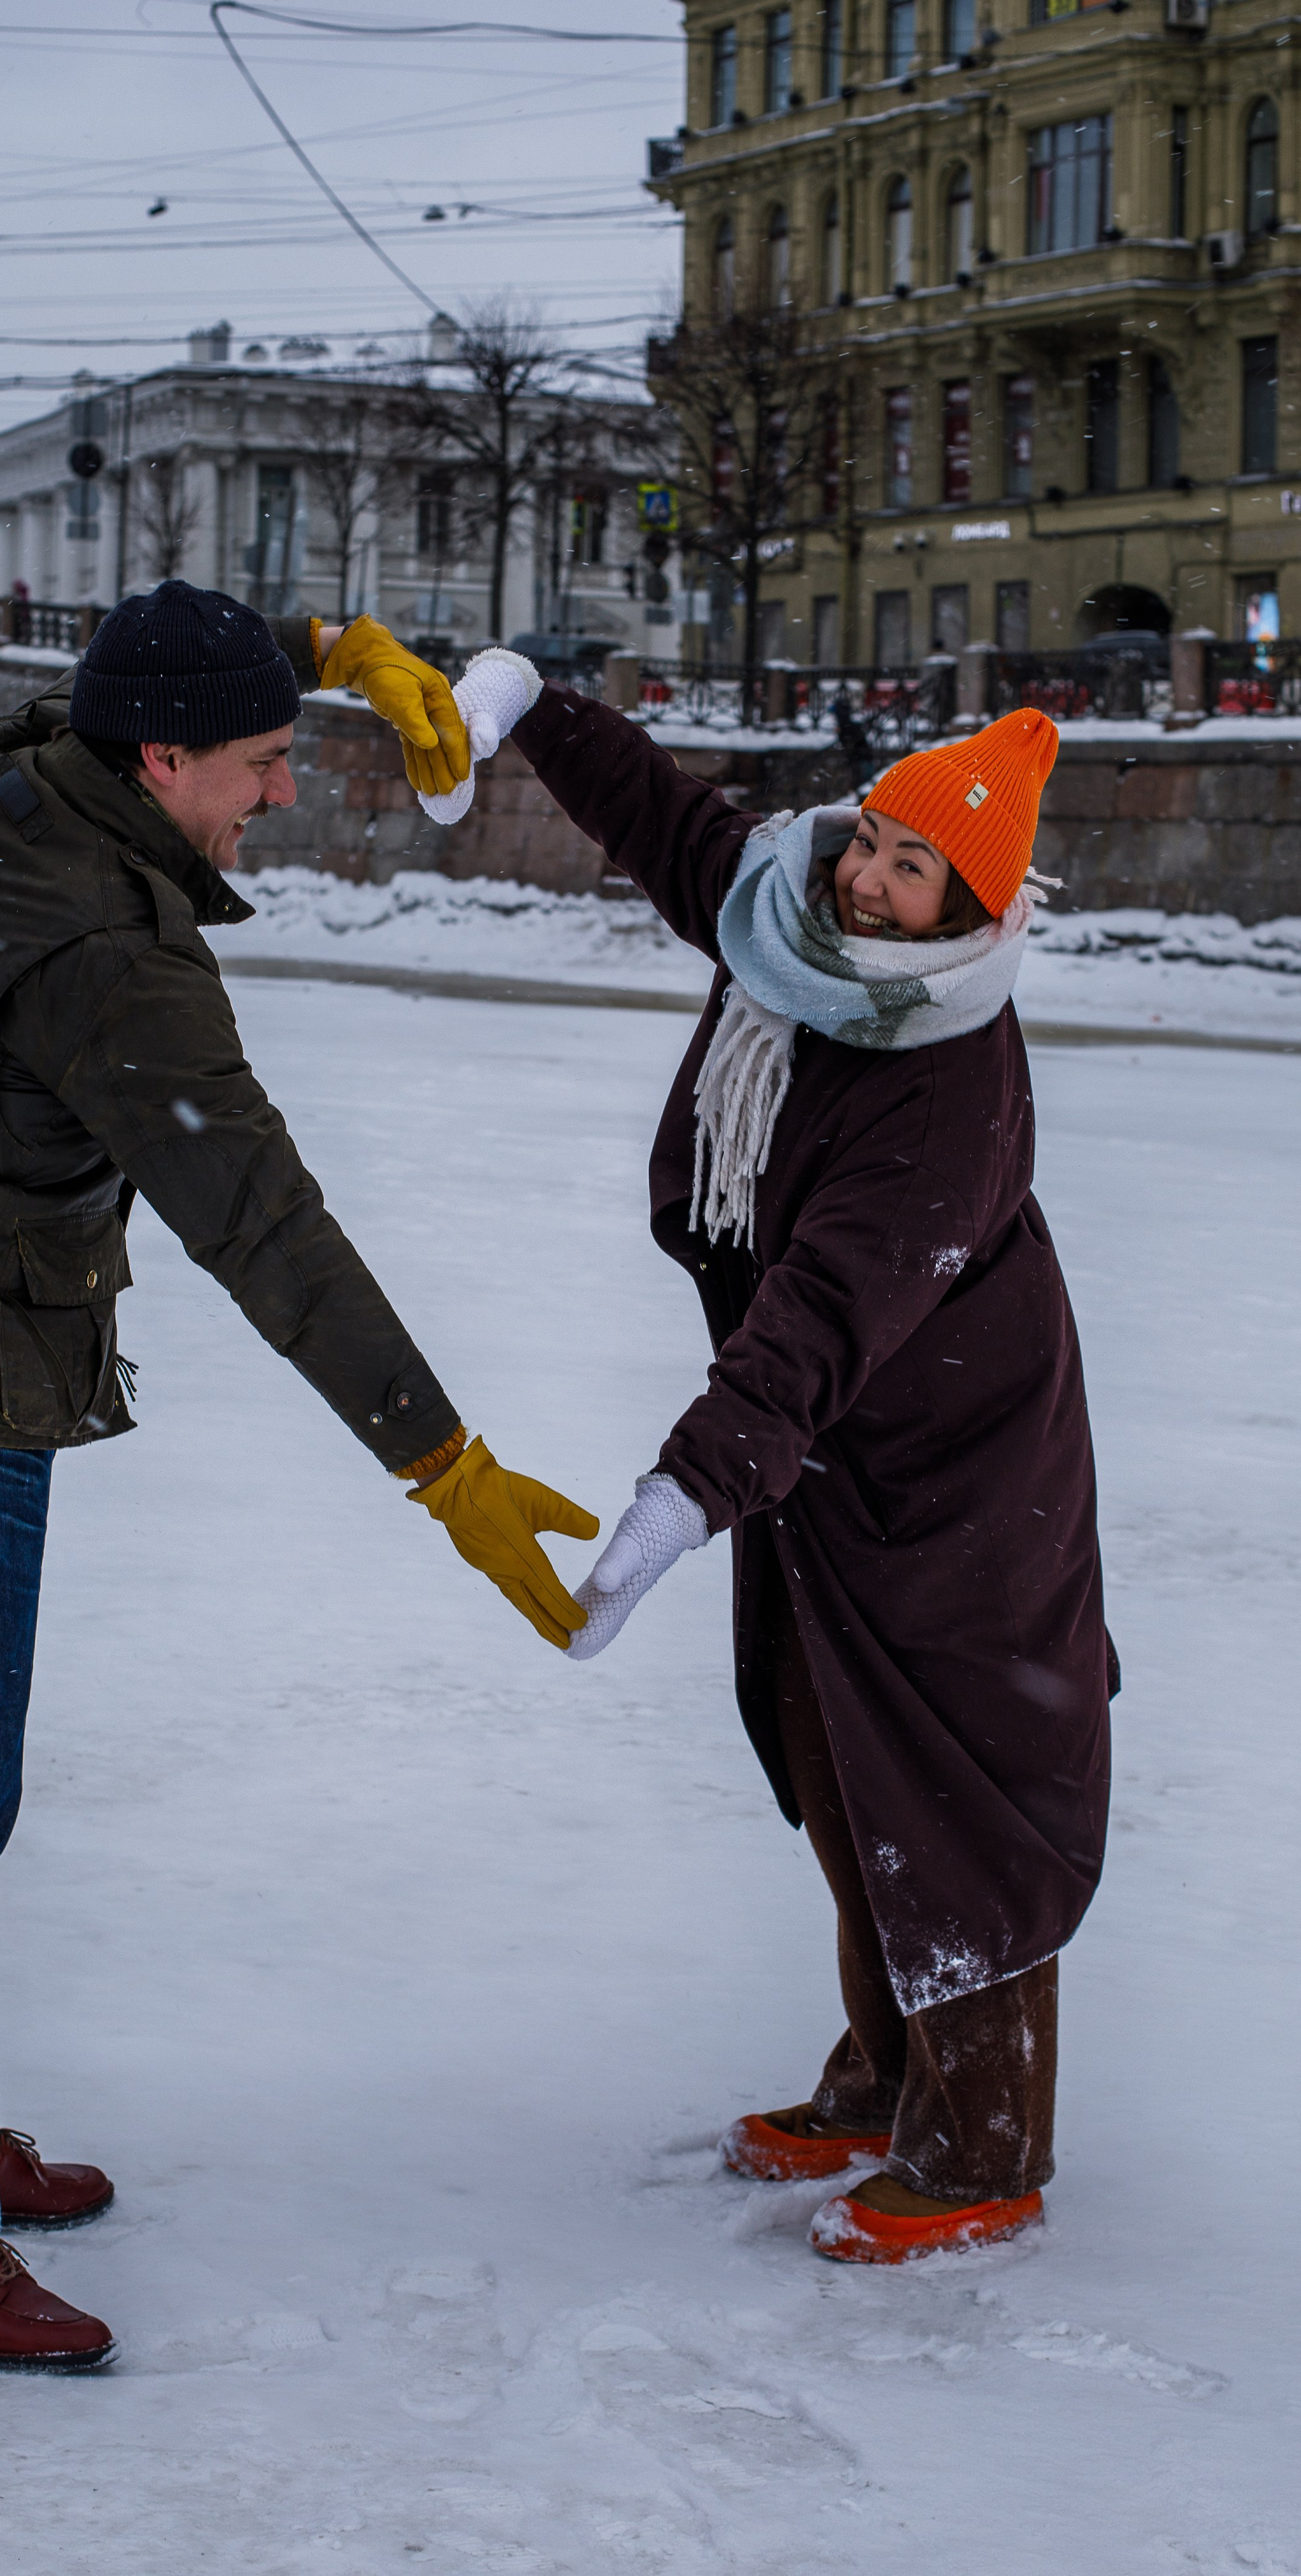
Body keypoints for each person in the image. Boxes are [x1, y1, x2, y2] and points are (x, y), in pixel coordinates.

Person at [0, 584, 598, 2371]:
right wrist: (445, 1465)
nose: (280, 798)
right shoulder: (103, 957)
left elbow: (155, 647)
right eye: (268, 763)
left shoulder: (3, 770)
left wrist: (339, 649)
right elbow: (260, 1218)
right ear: (163, 759)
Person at [459, 675, 1114, 2264]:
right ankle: (884, 2073)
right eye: (868, 840)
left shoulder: (944, 1075)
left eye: (908, 872)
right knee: (831, 1751)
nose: (862, 880)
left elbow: (828, 1307)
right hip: (820, 1447)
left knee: (955, 1779)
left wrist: (685, 1491)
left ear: (967, 911)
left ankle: (981, 2144)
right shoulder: (780, 920)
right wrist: (528, 705)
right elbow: (668, 822)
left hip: (948, 1453)